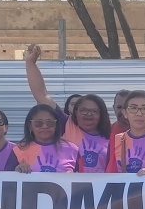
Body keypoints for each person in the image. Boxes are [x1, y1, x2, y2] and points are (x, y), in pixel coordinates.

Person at [24, 44, 111, 173]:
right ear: (75, 112)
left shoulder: (112, 135)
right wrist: (30, 63)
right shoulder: (66, 124)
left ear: (101, 114)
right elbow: (41, 96)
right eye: (83, 110)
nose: (88, 114)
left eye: (94, 111)